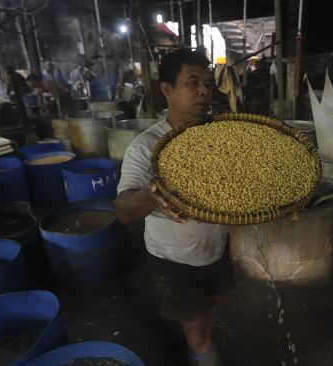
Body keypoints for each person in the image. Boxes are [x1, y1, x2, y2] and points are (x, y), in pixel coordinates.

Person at [115, 48, 233, 366]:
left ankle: (200, 334)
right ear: (166, 89)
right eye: (192, 82)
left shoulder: (219, 138)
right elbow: (124, 210)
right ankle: (200, 350)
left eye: (207, 83)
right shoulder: (146, 147)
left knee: (211, 308)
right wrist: (153, 195)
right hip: (174, 262)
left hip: (217, 250)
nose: (205, 91)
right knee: (198, 337)